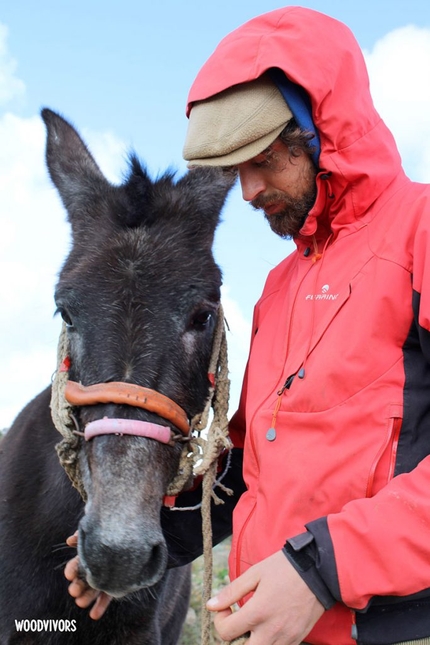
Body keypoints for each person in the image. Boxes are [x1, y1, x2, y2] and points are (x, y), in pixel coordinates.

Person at [65, 6, 430, 645]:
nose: (248, 190)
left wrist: (322, 571)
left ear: (321, 132)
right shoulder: (280, 287)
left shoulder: (420, 233)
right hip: (267, 619)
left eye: (263, 161)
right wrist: (142, 536)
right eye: (237, 169)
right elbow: (253, 461)